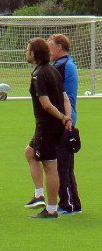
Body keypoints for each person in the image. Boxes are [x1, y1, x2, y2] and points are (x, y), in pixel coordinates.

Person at [25, 37, 73, 219]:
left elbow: (45, 104)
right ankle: (39, 195)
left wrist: (62, 117)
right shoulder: (53, 70)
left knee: (50, 166)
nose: (26, 52)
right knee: (29, 153)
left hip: (47, 125)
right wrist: (66, 117)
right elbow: (65, 97)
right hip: (51, 125)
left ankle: (51, 209)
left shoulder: (39, 74)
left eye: (28, 49)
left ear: (34, 53)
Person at [49, 34, 80, 214]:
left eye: (51, 46)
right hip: (68, 118)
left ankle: (66, 204)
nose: (49, 50)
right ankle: (74, 203)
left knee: (62, 164)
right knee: (67, 165)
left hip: (65, 120)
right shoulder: (67, 64)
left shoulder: (61, 67)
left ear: (59, 47)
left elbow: (63, 97)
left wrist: (65, 118)